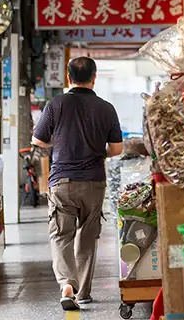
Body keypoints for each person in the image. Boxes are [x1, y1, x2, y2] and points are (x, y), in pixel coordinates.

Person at [32, 56, 123, 311]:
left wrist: (57, 144)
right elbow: (116, 149)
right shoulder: (106, 108)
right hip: (94, 181)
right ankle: (83, 292)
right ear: (94, 77)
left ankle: (66, 285)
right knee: (87, 237)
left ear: (68, 78)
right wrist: (97, 151)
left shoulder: (56, 104)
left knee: (61, 235)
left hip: (62, 181)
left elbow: (38, 140)